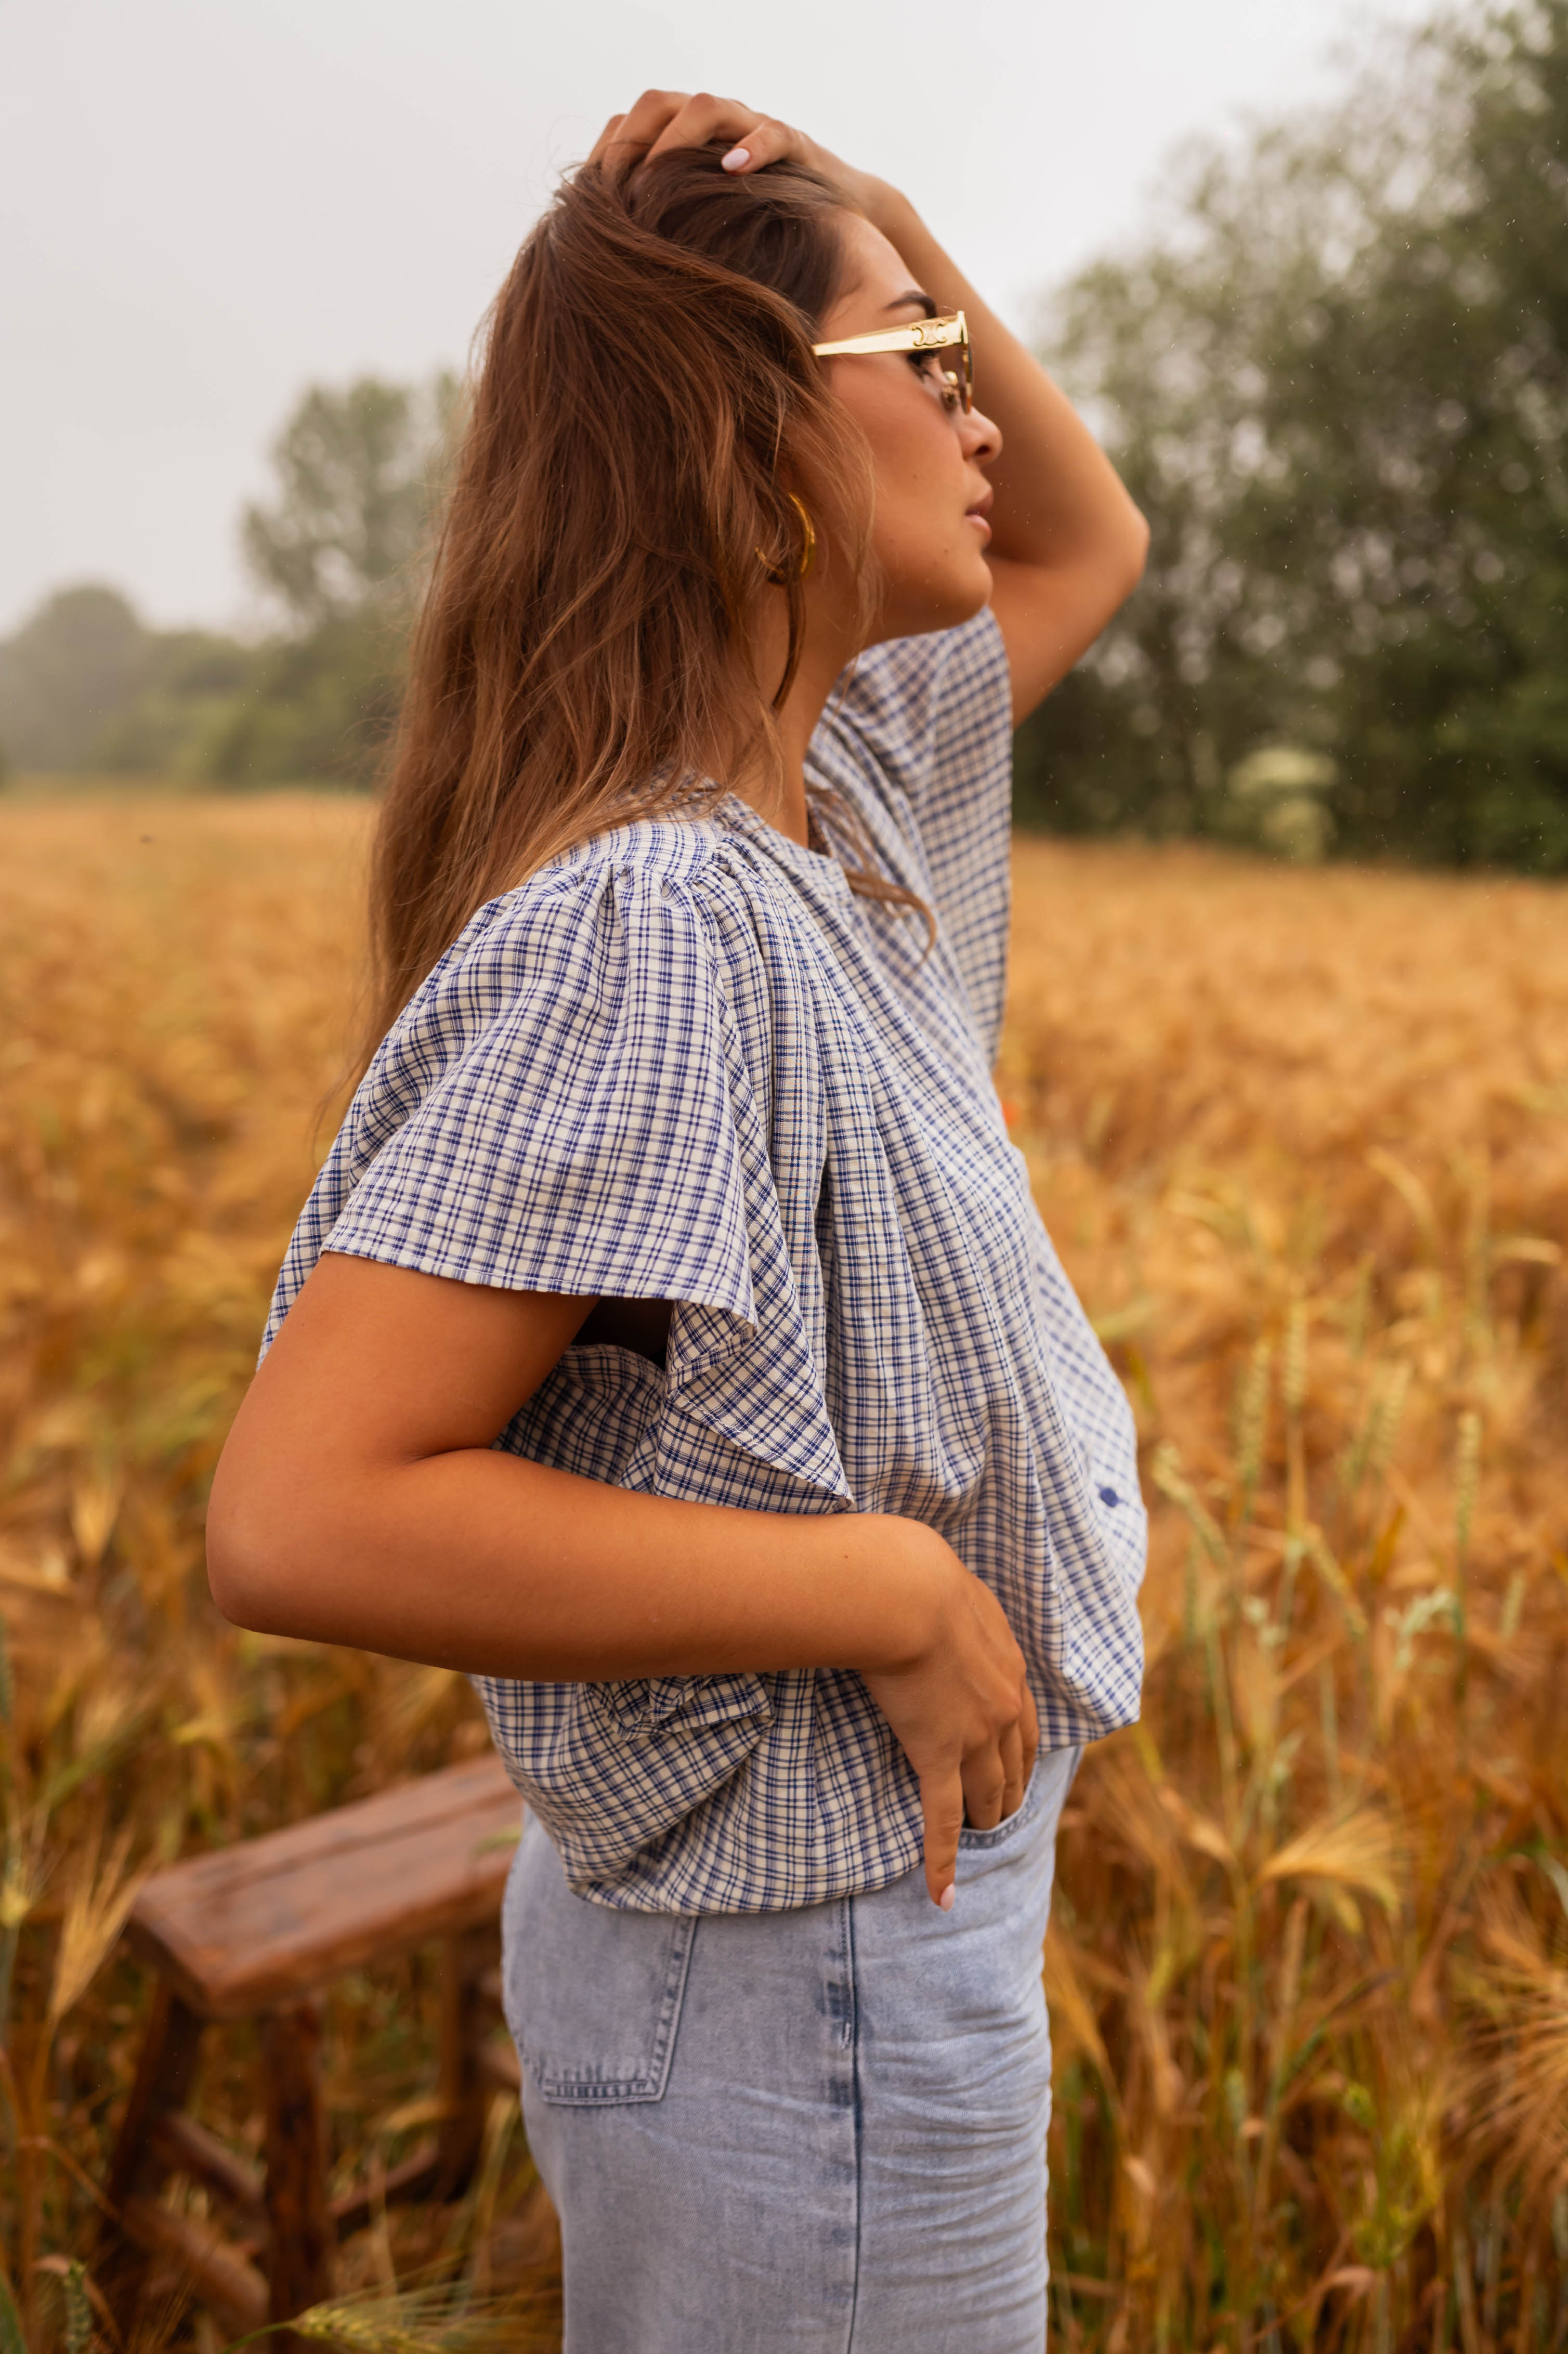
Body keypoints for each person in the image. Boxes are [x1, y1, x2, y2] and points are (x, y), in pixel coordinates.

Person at [208, 90, 1149, 2353]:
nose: (968, 399)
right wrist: (882, 1581)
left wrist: (881, 223)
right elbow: (302, 1513)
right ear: (747, 457)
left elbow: (1086, 544)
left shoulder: (839, 804)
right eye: (912, 352)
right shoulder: (655, 915)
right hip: (797, 1979)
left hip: (838, 1940)